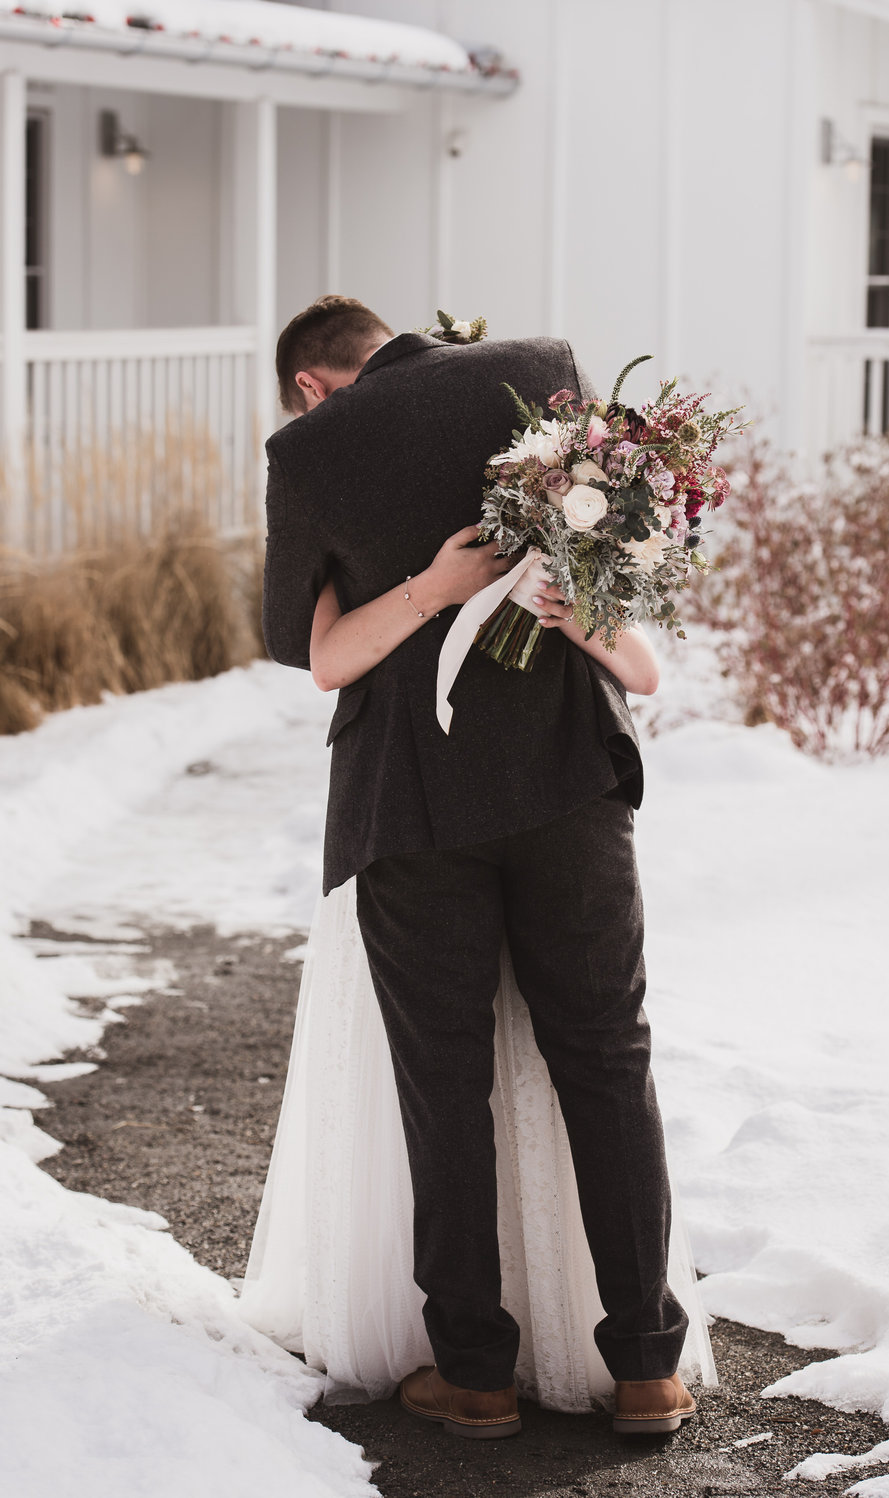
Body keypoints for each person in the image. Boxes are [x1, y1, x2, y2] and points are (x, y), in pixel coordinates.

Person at [250, 294, 710, 1439]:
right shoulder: (537, 365)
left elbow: (312, 656)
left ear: (310, 383)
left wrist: (426, 591)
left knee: (444, 1080)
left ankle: (476, 1372)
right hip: (566, 777)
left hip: (416, 802)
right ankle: (646, 1363)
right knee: (606, 1058)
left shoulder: (308, 450)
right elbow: (611, 563)